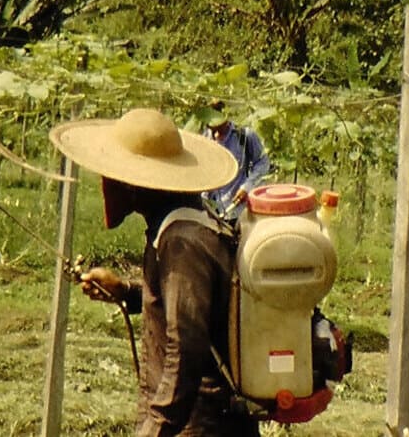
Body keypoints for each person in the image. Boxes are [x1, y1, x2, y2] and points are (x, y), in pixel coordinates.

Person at [52, 108, 258, 436]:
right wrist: (126, 291)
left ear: (136, 185)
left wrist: (156, 428)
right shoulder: (180, 223)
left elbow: (187, 345)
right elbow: (191, 306)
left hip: (198, 425)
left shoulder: (182, 241)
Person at [193, 100, 270, 219]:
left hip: (236, 208)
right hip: (210, 210)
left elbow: (263, 163)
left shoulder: (244, 136)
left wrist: (247, 187)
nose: (210, 126)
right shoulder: (205, 138)